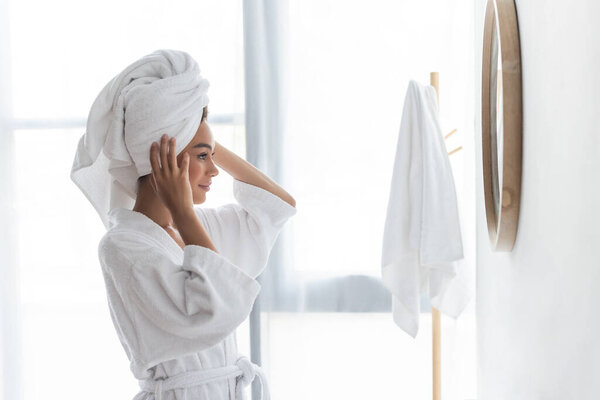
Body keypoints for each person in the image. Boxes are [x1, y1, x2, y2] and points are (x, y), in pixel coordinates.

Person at [71, 49, 296, 400]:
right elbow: (217, 308)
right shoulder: (123, 246)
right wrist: (183, 209)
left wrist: (197, 130)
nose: (215, 168)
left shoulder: (191, 230)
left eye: (211, 154)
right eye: (203, 157)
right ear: (162, 161)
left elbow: (276, 207)